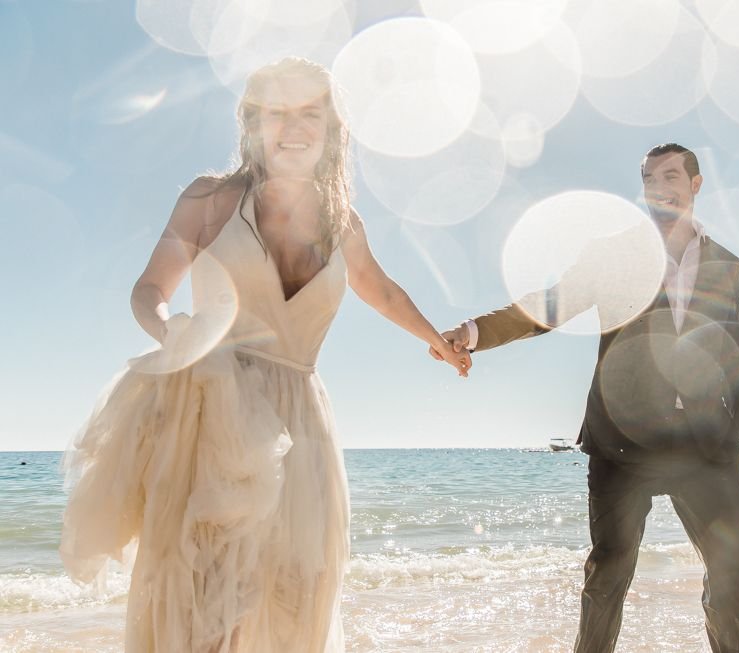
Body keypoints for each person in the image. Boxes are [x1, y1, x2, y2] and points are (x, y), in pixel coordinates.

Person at [59, 57, 470, 653]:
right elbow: (149, 291)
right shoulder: (209, 200)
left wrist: (439, 341)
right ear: (252, 123)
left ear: (331, 130)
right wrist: (169, 329)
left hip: (301, 420)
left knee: (298, 593)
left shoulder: (342, 221)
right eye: (278, 112)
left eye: (310, 113)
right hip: (215, 408)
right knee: (208, 600)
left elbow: (380, 290)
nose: (295, 127)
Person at [433, 143, 739, 653]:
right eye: (651, 179)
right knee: (608, 573)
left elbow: (736, 350)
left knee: (731, 577)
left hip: (706, 446)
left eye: (672, 176)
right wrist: (475, 332)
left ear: (695, 185)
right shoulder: (615, 253)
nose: (661, 187)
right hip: (624, 444)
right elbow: (551, 306)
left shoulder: (726, 264)